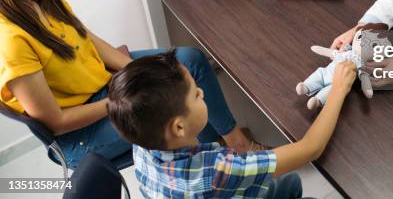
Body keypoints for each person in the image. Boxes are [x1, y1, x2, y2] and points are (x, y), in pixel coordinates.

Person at [0, 0, 258, 167]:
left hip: (103, 87)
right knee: (176, 101)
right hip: (79, 137)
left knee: (188, 61)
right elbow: (56, 123)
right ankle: (219, 166)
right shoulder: (10, 41)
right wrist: (121, 98)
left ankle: (236, 145)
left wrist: (144, 72)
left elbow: (87, 40)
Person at [107, 49, 356, 199]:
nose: (203, 93)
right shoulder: (217, 171)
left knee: (287, 184)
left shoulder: (141, 143)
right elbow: (311, 148)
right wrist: (339, 88)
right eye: (195, 94)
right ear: (179, 128)